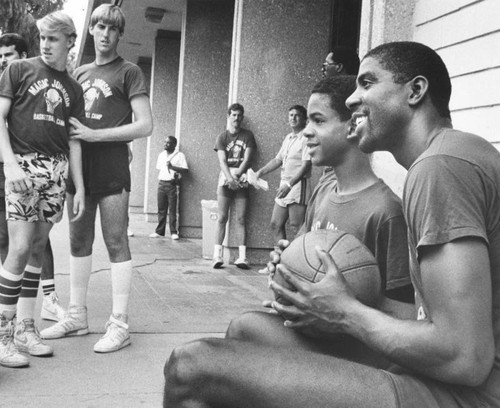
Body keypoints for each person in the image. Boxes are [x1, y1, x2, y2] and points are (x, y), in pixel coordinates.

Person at [163, 41, 500, 407]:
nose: (353, 99)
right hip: (442, 377)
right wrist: (317, 290)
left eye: (367, 83)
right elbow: (429, 318)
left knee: (190, 367)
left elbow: (465, 359)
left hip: (468, 395)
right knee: (249, 327)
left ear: (415, 91)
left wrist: (346, 313)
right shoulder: (454, 155)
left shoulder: (439, 168)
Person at [41, 4, 153, 354]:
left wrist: (96, 135)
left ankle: (119, 323)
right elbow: (68, 128)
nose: (105, 33)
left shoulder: (129, 71)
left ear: (120, 35)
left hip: (112, 171)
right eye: (100, 26)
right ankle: (77, 315)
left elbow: (145, 125)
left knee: (116, 241)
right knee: (78, 242)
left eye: (113, 28)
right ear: (90, 30)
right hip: (80, 174)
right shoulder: (79, 73)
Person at [0, 12, 85, 368]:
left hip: (57, 170)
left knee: (37, 247)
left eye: (54, 38)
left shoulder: (74, 87)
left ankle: (25, 329)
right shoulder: (19, 70)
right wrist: (11, 164)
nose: (46, 44)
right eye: (43, 38)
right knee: (18, 247)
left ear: (70, 41)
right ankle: (3, 334)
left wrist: (77, 186)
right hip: (23, 166)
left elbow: (74, 140)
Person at [0, 32, 66, 324]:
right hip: (10, 169)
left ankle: (44, 303)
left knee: (35, 242)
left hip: (27, 168)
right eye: (0, 56)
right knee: (13, 242)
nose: (3, 60)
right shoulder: (9, 77)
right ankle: (6, 324)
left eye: (8, 54)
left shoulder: (25, 78)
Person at [254, 105, 311, 273]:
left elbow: (306, 165)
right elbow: (278, 159)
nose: (293, 118)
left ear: (304, 119)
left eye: (297, 116)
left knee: (297, 225)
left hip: (297, 185)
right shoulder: (289, 138)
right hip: (284, 185)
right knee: (275, 224)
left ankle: (300, 267)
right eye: (291, 115)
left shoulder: (306, 138)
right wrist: (260, 172)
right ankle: (279, 265)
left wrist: (290, 184)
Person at [212, 103, 256, 269]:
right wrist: (229, 178)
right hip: (226, 178)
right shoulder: (222, 137)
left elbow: (247, 159)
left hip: (242, 178)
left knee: (241, 218)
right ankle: (217, 256)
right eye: (234, 115)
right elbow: (222, 161)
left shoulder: (248, 135)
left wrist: (236, 177)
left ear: (242, 117)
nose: (236, 118)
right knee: (222, 217)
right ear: (229, 116)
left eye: (239, 115)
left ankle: (242, 257)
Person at [320, 46, 360, 183]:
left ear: (338, 67)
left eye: (327, 64)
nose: (323, 68)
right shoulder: (334, 90)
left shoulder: (351, 93)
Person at [149, 136, 188, 240]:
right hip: (161, 183)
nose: (165, 144)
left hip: (172, 184)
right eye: (165, 142)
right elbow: (159, 168)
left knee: (172, 209)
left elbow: (185, 170)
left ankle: (173, 232)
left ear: (174, 145)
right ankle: (159, 231)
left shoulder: (180, 155)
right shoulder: (161, 155)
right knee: (161, 209)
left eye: (168, 143)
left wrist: (173, 167)